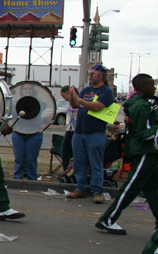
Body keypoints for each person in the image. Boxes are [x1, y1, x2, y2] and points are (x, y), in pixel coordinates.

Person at [95, 74, 158, 235]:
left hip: (146, 151)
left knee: (152, 189)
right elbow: (145, 133)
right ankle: (108, 219)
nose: (154, 88)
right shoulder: (142, 106)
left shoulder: (139, 104)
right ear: (143, 87)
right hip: (145, 151)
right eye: (151, 85)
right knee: (131, 187)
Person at [67, 64, 116, 203]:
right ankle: (80, 188)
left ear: (101, 75)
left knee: (96, 162)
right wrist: (72, 96)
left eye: (93, 73)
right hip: (79, 131)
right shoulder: (87, 90)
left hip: (95, 132)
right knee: (79, 162)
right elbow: (75, 105)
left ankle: (97, 190)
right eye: (90, 73)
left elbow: (96, 107)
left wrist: (79, 99)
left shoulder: (106, 91)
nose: (90, 76)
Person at [11, 83, 44, 181]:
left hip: (34, 133)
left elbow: (43, 108)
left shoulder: (38, 102)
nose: (28, 91)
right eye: (25, 89)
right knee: (19, 158)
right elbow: (12, 114)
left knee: (31, 159)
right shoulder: (16, 103)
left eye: (30, 89)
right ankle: (17, 179)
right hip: (19, 132)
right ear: (22, 91)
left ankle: (32, 180)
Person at [60, 85, 78, 176]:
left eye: (64, 96)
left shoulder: (76, 101)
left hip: (73, 129)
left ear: (68, 93)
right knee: (68, 150)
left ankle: (68, 170)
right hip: (70, 128)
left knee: (65, 150)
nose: (64, 98)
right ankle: (69, 169)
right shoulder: (71, 103)